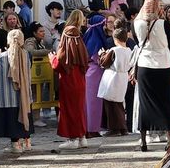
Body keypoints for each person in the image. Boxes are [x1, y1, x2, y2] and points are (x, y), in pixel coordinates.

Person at [132, 0, 170, 150]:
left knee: (145, 103)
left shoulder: (136, 23)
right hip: (163, 65)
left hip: (144, 64)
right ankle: (169, 139)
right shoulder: (163, 23)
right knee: (165, 101)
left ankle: (143, 140)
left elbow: (137, 42)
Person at [53, 10, 90, 150]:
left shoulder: (68, 35)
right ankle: (82, 137)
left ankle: (72, 138)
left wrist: (52, 58)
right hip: (80, 79)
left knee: (69, 109)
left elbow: (61, 61)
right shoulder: (79, 39)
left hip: (69, 79)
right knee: (79, 109)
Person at [0, 28, 32, 153]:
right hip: (24, 95)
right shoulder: (27, 55)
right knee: (24, 115)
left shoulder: (0, 57)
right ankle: (27, 142)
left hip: (7, 96)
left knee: (11, 119)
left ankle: (15, 144)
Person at [98, 29, 134, 136]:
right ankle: (122, 128)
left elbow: (104, 62)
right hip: (123, 77)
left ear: (115, 39)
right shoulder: (129, 50)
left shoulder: (114, 50)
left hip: (112, 78)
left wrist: (102, 54)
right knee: (119, 104)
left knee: (110, 104)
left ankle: (114, 129)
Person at [83, 11, 110, 135]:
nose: (105, 26)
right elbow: (96, 57)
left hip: (92, 72)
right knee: (93, 102)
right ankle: (92, 128)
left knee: (92, 102)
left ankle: (92, 127)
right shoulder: (95, 40)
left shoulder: (91, 36)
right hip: (94, 72)